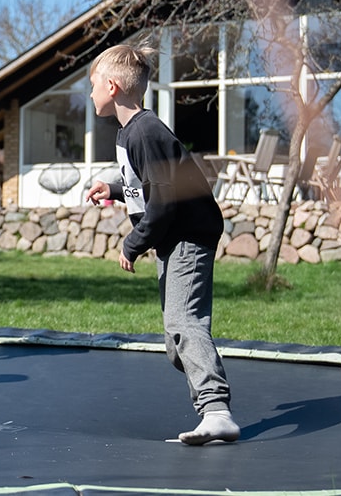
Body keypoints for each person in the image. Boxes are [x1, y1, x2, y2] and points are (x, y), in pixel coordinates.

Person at [82, 43, 239, 446]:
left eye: (93, 84)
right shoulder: (129, 133)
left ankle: (216, 411)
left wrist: (132, 243)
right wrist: (114, 189)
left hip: (188, 234)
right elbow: (147, 186)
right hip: (172, 239)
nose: (90, 93)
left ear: (112, 87)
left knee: (185, 324)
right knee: (175, 342)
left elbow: (165, 200)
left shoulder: (146, 131)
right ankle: (208, 383)